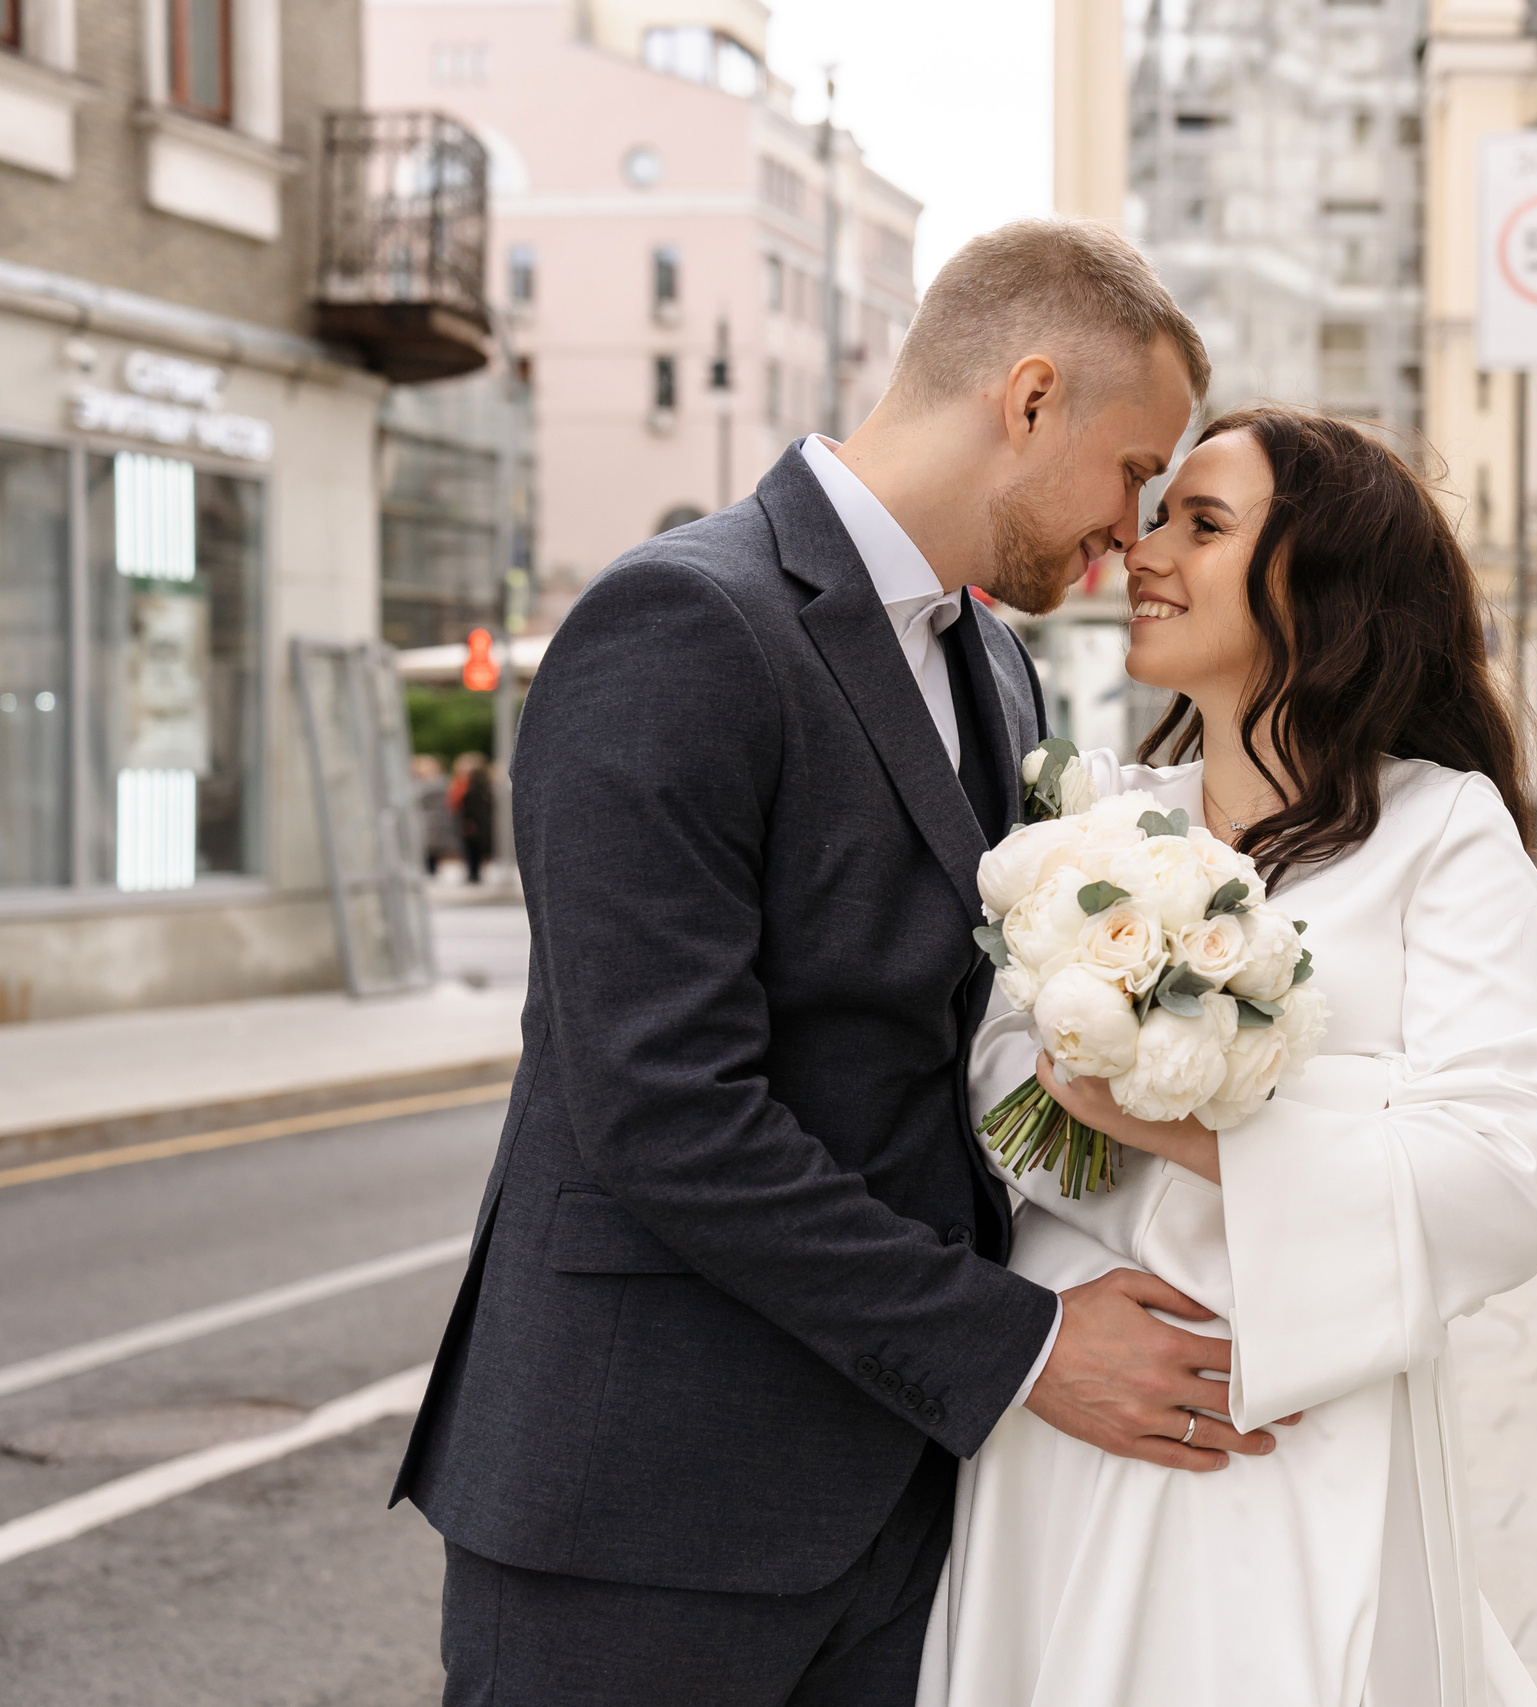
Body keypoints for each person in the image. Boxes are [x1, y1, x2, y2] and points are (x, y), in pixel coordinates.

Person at [392, 219, 1225, 1707]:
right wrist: (1021, 1347)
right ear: (1028, 397)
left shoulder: (996, 660)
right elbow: (666, 1108)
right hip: (644, 1512)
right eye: (1132, 470)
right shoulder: (683, 622)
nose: (1131, 530)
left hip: (894, 1508)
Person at [921, 408, 1537, 1707]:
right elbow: (1002, 1102)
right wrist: (1356, 1116)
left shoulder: (1442, 832)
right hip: (1071, 1411)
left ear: (1317, 585)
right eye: (1155, 510)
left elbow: (1507, 1176)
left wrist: (1172, 1114)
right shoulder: (1091, 821)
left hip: (1292, 1431)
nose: (1145, 549)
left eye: (1202, 523)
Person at [447, 752, 494, 884]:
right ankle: (473, 872)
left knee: (472, 848)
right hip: (468, 819)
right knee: (470, 847)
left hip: (470, 820)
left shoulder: (473, 786)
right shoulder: (464, 784)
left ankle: (473, 872)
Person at [412, 752, 459, 879]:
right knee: (428, 846)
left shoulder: (435, 783)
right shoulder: (442, 781)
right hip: (432, 819)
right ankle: (429, 869)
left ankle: (430, 869)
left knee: (430, 846)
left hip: (432, 819)